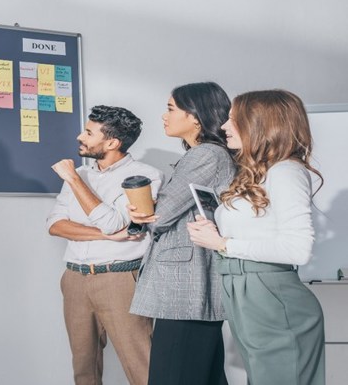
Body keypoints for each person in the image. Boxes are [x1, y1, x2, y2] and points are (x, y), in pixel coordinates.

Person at [187, 89, 326, 385]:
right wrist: (215, 234)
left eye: (233, 119)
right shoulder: (258, 174)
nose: (224, 126)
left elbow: (298, 249)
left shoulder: (286, 172)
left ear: (260, 123)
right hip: (242, 288)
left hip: (268, 291)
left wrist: (223, 244)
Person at [47, 105, 164, 385]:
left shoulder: (145, 176)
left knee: (141, 366)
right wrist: (106, 235)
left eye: (89, 132)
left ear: (112, 142)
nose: (80, 136)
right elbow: (55, 225)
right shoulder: (82, 173)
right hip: (75, 278)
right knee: (84, 370)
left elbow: (116, 224)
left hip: (120, 278)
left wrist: (73, 180)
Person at [128, 82, 235, 385]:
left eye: (171, 108)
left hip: (185, 288)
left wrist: (142, 213)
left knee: (172, 376)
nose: (164, 115)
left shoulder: (205, 155)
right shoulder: (209, 155)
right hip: (193, 285)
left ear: (196, 117)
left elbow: (161, 215)